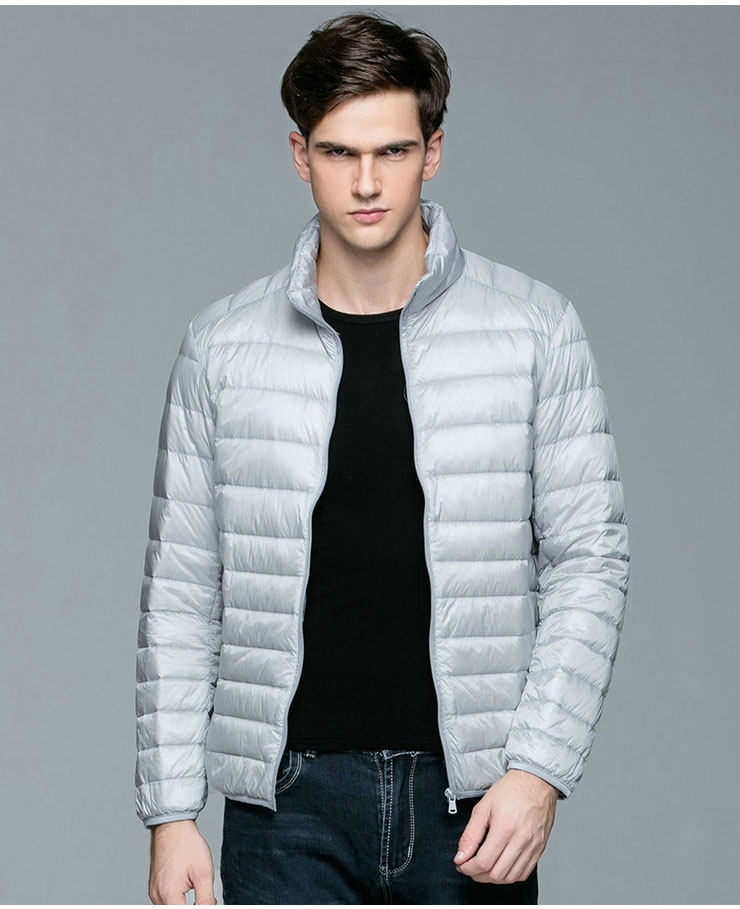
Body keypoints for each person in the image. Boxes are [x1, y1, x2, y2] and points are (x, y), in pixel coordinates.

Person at [135, 11, 630, 906]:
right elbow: (181, 586)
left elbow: (590, 559)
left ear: (433, 152)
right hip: (285, 808)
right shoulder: (223, 348)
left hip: (473, 803)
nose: (366, 183)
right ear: (300, 155)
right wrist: (171, 813)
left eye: (393, 152)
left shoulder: (534, 329)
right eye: (339, 153)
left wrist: (538, 770)